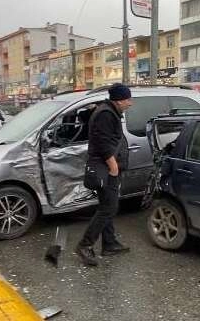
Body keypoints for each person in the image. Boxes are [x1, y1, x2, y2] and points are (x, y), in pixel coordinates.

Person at [76, 83, 133, 267]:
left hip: (107, 167)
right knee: (109, 208)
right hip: (107, 168)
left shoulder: (108, 111)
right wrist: (113, 166)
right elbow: (103, 142)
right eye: (127, 100)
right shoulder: (106, 114)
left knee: (107, 206)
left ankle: (109, 244)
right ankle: (85, 245)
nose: (130, 103)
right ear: (119, 100)